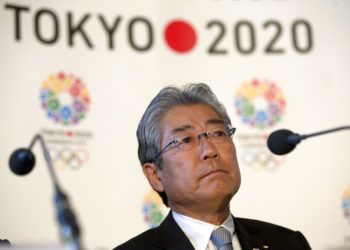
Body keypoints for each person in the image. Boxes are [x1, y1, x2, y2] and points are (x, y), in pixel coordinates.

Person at [114, 83, 311, 250]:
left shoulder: (289, 243)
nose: (209, 150)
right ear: (155, 175)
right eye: (185, 140)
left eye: (218, 133)